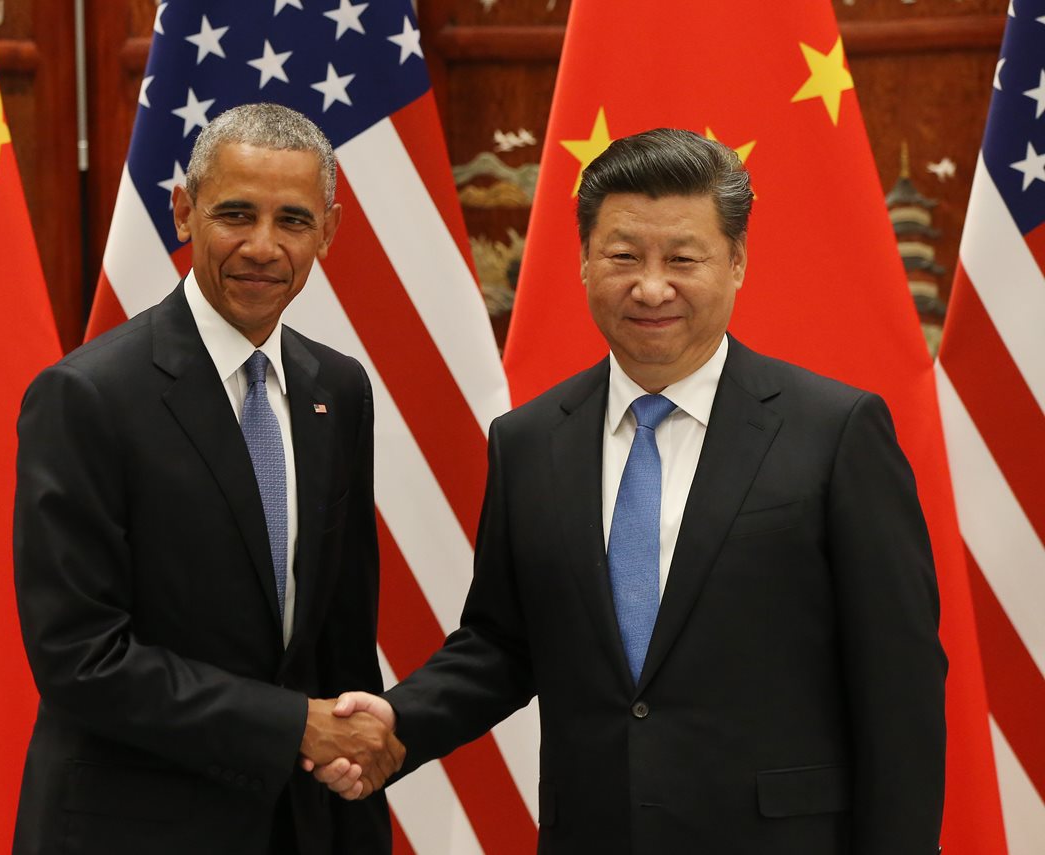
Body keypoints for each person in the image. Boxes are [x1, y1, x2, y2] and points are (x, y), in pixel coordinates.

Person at [315, 128, 947, 854]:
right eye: (623, 257)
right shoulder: (529, 441)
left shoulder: (836, 432)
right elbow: (502, 640)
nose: (651, 286)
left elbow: (899, 687)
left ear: (737, 262)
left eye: (683, 258)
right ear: (584, 262)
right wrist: (399, 722)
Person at [11, 103, 402, 855]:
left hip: (298, 826)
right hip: (130, 829)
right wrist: (295, 726)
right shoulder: (86, 396)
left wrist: (356, 807)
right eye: (235, 213)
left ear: (329, 229)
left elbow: (339, 639)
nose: (263, 246)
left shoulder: (338, 389)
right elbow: (79, 658)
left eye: (292, 220)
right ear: (184, 212)